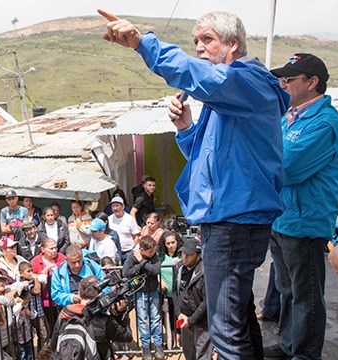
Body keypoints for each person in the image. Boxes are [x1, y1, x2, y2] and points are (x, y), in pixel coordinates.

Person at [99, 9, 289, 359]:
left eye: (208, 39)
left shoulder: (247, 82)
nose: (199, 47)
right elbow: (205, 157)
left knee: (226, 329)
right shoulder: (229, 100)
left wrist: (144, 44)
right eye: (196, 41)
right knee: (239, 317)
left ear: (233, 44)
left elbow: (198, 75)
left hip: (234, 222)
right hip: (229, 219)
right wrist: (187, 127)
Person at [265, 53, 338, 360]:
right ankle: (288, 345)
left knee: (307, 298)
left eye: (289, 79)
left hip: (305, 222)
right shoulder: (289, 118)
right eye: (281, 78)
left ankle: (305, 354)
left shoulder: (326, 123)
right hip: (281, 219)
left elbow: (289, 168)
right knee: (287, 291)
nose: (282, 84)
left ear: (312, 83)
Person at [51, 276, 132, 359]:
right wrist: (121, 314)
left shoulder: (64, 314)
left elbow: (54, 345)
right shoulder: (104, 320)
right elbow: (127, 336)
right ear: (100, 295)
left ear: (79, 293)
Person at [123, 235, 163, 360]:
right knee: (143, 321)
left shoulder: (153, 256)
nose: (153, 253)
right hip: (140, 292)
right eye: (150, 251)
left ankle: (158, 345)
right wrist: (140, 265)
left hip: (153, 290)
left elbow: (156, 270)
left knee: (156, 319)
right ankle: (145, 347)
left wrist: (142, 261)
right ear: (141, 249)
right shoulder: (133, 255)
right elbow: (126, 273)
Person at [174, 238, 212, 360]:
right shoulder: (179, 268)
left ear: (198, 255)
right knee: (189, 354)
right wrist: (179, 314)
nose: (184, 257)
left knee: (203, 356)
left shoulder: (205, 272)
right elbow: (174, 291)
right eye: (183, 253)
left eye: (189, 254)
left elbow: (207, 301)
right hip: (185, 320)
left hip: (202, 323)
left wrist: (191, 320)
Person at [30, 237, 65, 332]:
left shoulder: (61, 257)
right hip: (44, 299)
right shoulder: (36, 261)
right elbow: (33, 277)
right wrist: (43, 273)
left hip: (60, 298)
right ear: (43, 249)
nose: (54, 251)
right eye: (51, 248)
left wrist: (57, 270)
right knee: (48, 328)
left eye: (55, 248)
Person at [158, 231, 183, 337]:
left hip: (179, 293)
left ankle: (178, 338)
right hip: (164, 293)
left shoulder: (182, 255)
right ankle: (171, 337)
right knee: (165, 317)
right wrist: (160, 281)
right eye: (168, 243)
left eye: (173, 242)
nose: (171, 245)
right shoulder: (160, 256)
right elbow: (155, 271)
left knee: (178, 316)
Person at [108, 196, 139, 262]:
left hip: (128, 252)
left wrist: (133, 250)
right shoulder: (109, 219)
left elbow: (136, 236)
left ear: (123, 206)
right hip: (114, 253)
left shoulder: (130, 219)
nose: (115, 208)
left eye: (117, 206)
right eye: (113, 206)